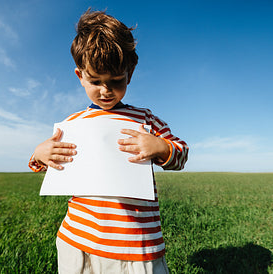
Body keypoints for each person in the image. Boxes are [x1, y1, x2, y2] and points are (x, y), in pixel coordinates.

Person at [28, 9, 188, 274]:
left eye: (116, 81)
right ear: (80, 76)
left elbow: (181, 153)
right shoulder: (74, 123)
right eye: (95, 81)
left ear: (130, 73)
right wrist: (39, 153)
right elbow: (46, 164)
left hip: (136, 245)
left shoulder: (144, 118)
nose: (106, 90)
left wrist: (161, 147)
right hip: (78, 239)